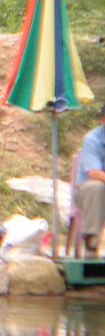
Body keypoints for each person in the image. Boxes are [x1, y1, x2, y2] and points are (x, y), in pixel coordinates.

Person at [75, 103, 105, 254]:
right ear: (102, 119)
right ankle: (91, 241)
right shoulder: (92, 139)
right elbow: (94, 173)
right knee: (97, 186)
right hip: (88, 191)